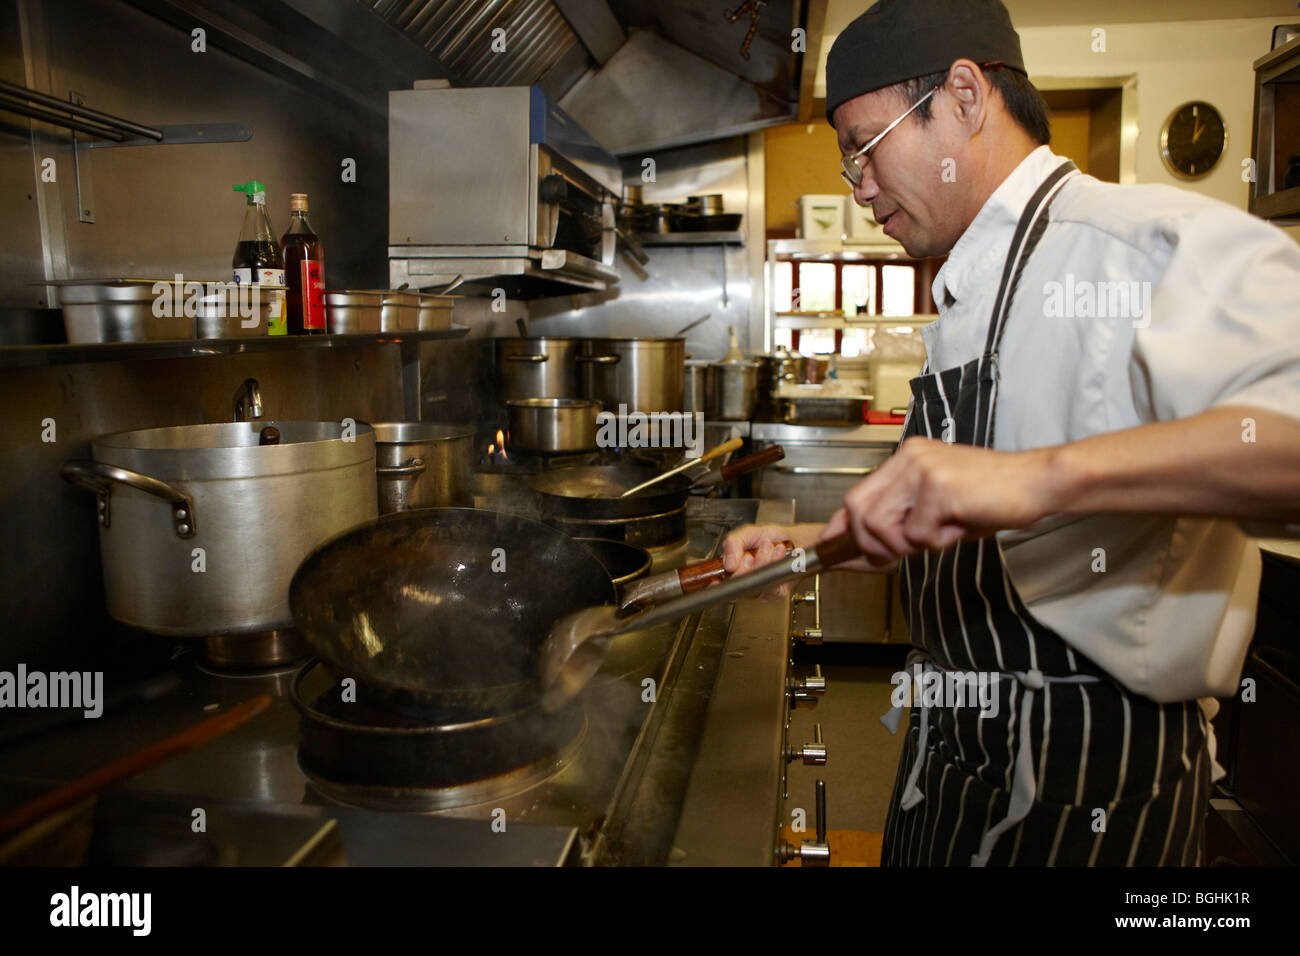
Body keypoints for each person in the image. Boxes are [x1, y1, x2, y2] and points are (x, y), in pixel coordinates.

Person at [724, 0, 1300, 866]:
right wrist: (815, 544)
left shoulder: (1138, 247)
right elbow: (958, 524)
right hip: (950, 751)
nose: (860, 186)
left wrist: (1036, 480)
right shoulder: (970, 288)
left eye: (865, 148)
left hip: (1090, 783)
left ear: (964, 95)